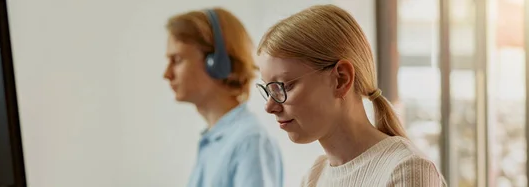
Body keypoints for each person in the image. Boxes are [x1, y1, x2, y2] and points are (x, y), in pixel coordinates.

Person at [255, 4, 447, 187]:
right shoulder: (314, 176)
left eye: (285, 87)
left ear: (341, 79)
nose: (270, 107)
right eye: (269, 91)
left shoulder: (406, 169)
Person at [163, 7, 283, 187]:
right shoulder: (214, 142)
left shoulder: (249, 141)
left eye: (177, 59)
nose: (167, 74)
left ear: (217, 62)